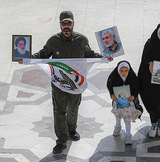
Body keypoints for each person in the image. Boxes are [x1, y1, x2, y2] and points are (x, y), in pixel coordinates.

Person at [19, 10, 112, 154]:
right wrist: (26, 58)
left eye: (69, 23)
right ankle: (61, 140)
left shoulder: (81, 40)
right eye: (64, 23)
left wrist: (104, 57)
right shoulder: (53, 41)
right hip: (58, 84)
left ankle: (72, 130)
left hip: (76, 84)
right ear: (60, 25)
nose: (66, 26)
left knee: (73, 109)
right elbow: (42, 54)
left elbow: (90, 54)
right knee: (59, 111)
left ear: (73, 23)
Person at [107, 61, 143, 145]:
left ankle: (128, 134)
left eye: (126, 71)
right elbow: (110, 86)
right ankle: (118, 126)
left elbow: (137, 87)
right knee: (118, 115)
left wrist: (133, 96)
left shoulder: (132, 78)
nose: (124, 73)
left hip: (128, 104)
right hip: (118, 102)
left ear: (129, 71)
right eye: (121, 71)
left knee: (127, 118)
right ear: (118, 71)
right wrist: (112, 95)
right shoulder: (114, 78)